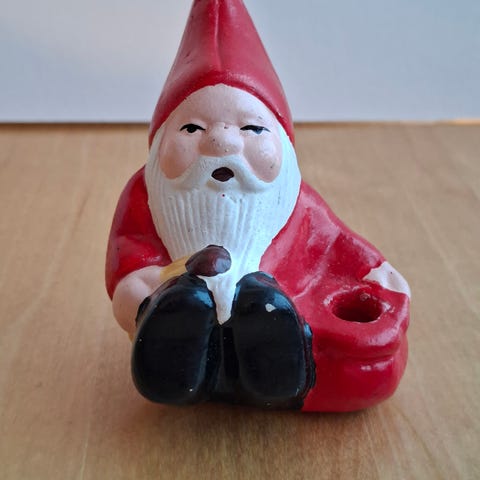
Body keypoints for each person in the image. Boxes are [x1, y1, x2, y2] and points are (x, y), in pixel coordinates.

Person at [105, 0, 410, 411]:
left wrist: (373, 270)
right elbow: (129, 257)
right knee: (176, 301)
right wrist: (148, 287)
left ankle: (271, 346)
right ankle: (178, 332)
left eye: (251, 128)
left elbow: (334, 243)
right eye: (192, 128)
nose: (221, 143)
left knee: (282, 316)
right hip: (176, 296)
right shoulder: (147, 195)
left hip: (283, 306)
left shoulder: (294, 200)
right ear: (161, 142)